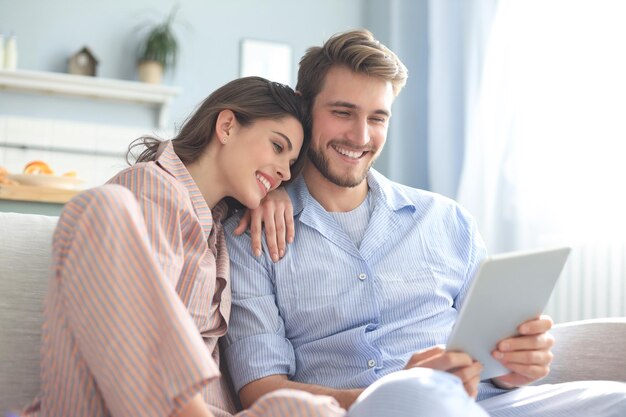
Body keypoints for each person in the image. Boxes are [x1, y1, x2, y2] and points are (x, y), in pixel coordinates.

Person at [223, 30, 626, 416]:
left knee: (616, 399)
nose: (361, 136)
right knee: (418, 394)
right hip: (370, 407)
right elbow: (260, 390)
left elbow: (492, 360)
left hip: (483, 403)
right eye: (343, 113)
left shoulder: (447, 220)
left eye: (378, 118)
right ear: (303, 108)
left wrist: (513, 368)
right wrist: (393, 389)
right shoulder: (251, 235)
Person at [22, 76, 347, 417]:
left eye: (291, 165)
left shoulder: (221, 231)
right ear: (226, 126)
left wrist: (274, 191)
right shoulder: (148, 189)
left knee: (312, 411)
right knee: (105, 206)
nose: (284, 171)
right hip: (139, 406)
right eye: (278, 147)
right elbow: (136, 336)